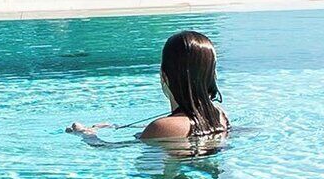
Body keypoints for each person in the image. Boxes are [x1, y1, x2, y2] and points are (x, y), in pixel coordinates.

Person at [71, 30, 234, 152]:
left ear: (164, 76)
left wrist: (86, 134)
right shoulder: (220, 116)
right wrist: (116, 127)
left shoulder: (160, 127)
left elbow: (107, 148)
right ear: (211, 75)